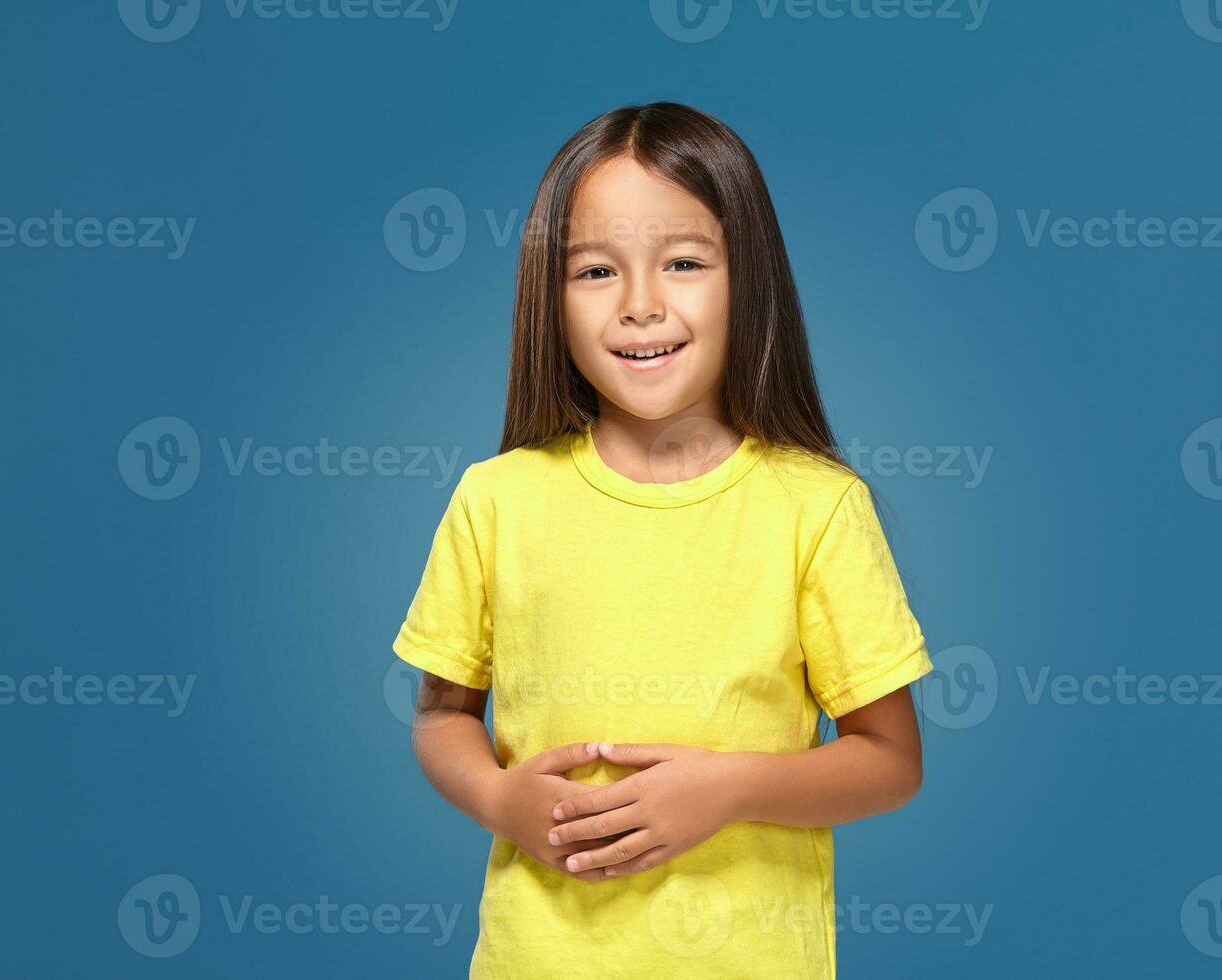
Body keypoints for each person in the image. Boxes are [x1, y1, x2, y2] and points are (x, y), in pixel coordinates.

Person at [391, 100, 933, 979]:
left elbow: (891, 763)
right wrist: (498, 796)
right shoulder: (496, 501)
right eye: (597, 271)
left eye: (683, 262)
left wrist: (730, 787)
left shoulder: (816, 508)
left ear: (747, 278)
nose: (641, 306)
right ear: (550, 297)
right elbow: (439, 719)